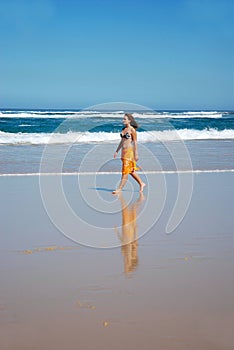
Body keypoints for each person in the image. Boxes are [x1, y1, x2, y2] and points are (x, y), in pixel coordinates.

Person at [112, 113, 146, 194]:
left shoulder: (132, 130)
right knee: (130, 170)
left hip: (129, 152)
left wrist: (136, 153)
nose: (123, 120)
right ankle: (141, 183)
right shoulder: (123, 129)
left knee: (125, 171)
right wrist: (117, 151)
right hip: (123, 153)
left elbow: (135, 142)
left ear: (129, 120)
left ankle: (119, 189)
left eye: (124, 119)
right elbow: (122, 141)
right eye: (123, 119)